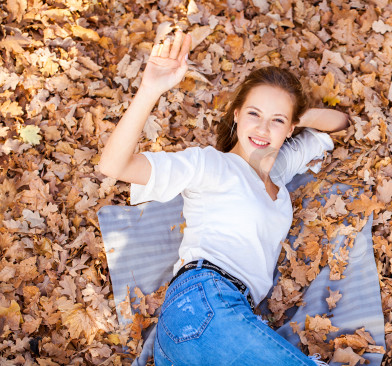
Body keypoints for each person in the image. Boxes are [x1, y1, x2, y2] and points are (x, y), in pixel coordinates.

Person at [98, 29, 349, 365]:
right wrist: (150, 89)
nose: (262, 129)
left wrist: (291, 115)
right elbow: (114, 164)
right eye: (253, 114)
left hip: (221, 326)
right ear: (236, 115)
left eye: (276, 121)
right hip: (202, 302)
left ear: (290, 129)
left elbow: (340, 122)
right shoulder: (211, 165)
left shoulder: (279, 168)